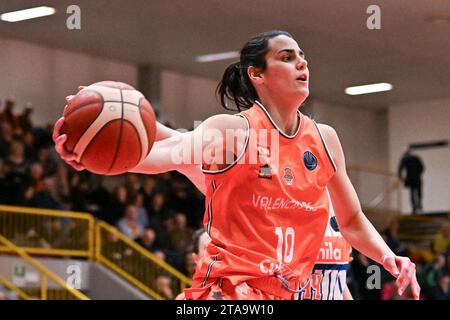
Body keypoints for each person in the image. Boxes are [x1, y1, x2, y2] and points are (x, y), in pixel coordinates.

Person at [53, 30, 420, 300]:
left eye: (302, 56)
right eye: (287, 57)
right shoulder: (232, 131)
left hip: (299, 292)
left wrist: (389, 257)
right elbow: (165, 155)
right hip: (231, 296)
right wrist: (90, 156)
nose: (302, 62)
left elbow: (352, 220)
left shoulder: (324, 139)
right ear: (256, 74)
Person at [398, 147, 424, 214]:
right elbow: (422, 167)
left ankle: (414, 208)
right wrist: (418, 173)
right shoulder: (416, 157)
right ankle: (419, 205)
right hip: (417, 178)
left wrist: (401, 178)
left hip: (410, 178)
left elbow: (400, 169)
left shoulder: (404, 159)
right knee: (418, 192)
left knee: (412, 193)